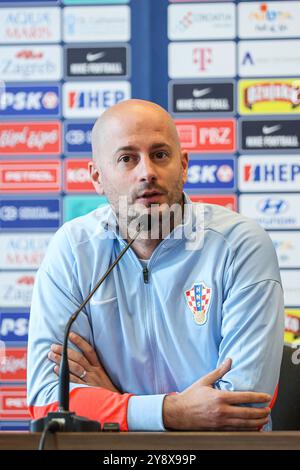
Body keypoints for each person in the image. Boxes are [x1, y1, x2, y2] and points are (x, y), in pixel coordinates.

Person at [27, 99, 284, 431]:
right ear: (97, 177)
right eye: (127, 159)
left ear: (184, 165)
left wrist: (113, 401)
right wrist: (171, 411)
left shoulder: (240, 245)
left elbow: (241, 408)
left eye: (160, 155)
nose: (147, 172)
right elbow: (47, 401)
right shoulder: (74, 250)